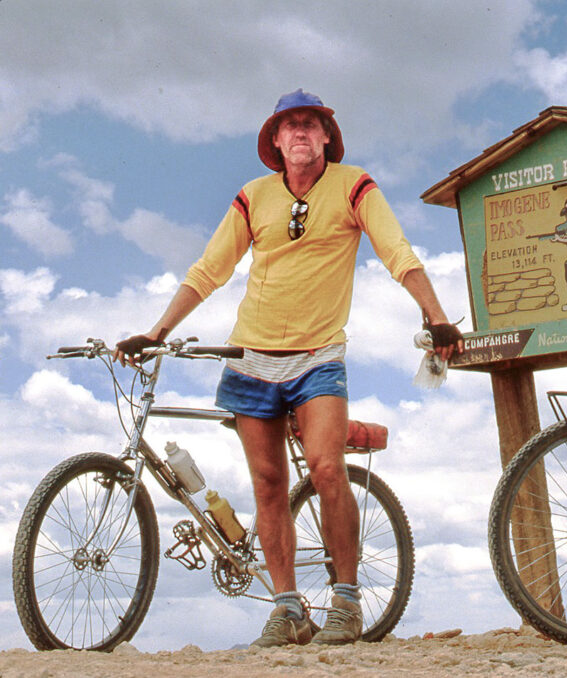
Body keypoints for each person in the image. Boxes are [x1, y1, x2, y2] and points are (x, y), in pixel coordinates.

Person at [114, 89, 464, 648]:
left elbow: (398, 251)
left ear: (327, 136)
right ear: (275, 140)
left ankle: (345, 603)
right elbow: (210, 268)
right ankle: (287, 609)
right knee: (268, 484)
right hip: (251, 357)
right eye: (289, 125)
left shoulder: (354, 185)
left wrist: (438, 316)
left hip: (318, 354)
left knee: (327, 469)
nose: (300, 132)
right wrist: (158, 331)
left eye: (311, 124)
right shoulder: (253, 197)